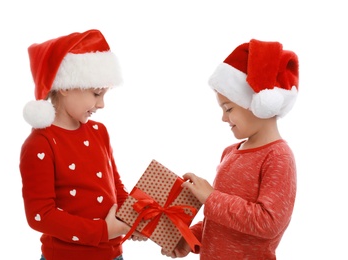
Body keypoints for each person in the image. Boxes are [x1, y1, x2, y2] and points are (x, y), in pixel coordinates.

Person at [162, 39, 299, 259]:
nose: (223, 117)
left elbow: (269, 222)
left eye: (228, 108)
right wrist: (191, 238)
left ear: (257, 105)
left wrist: (211, 197)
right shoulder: (230, 152)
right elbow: (219, 220)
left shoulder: (278, 156)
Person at [19, 29, 145, 260]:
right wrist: (103, 231)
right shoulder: (41, 144)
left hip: (112, 254)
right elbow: (40, 214)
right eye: (97, 94)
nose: (102, 104)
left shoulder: (99, 131)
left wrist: (132, 218)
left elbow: (114, 185)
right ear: (66, 86)